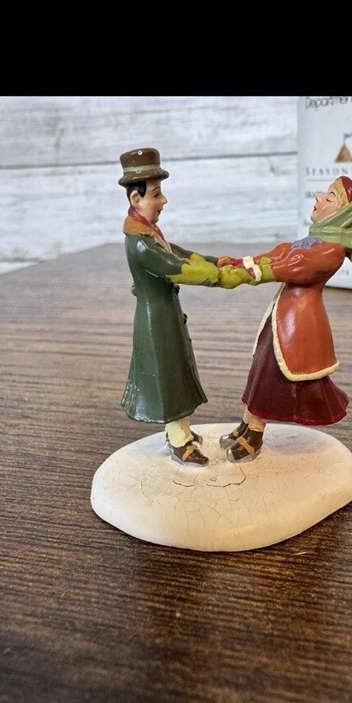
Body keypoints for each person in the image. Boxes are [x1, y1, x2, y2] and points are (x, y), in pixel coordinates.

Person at [213, 176, 352, 463]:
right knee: (261, 370)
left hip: (298, 327)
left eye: (330, 197)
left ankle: (254, 435)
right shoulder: (311, 242)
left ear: (345, 213)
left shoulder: (330, 250)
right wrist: (239, 263)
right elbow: (280, 253)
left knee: (271, 378)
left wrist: (246, 274)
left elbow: (294, 266)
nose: (319, 198)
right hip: (282, 320)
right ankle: (246, 425)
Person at [118, 147, 223, 467]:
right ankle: (179, 441)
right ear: (136, 199)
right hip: (157, 320)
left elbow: (179, 253)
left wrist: (214, 260)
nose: (163, 200)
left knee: (175, 373)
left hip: (166, 315)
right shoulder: (140, 242)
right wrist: (218, 275)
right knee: (168, 378)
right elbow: (175, 267)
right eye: (156, 194)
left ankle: (181, 433)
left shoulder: (149, 233)